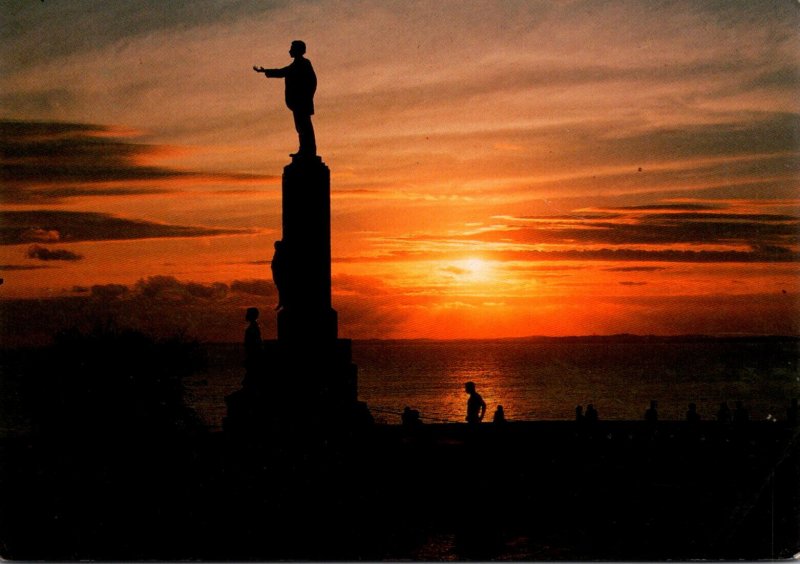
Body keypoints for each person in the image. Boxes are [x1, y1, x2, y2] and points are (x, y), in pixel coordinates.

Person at [254, 40, 317, 156]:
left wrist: (307, 97)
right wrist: (265, 71)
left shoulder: (304, 64)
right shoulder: (295, 65)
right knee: (300, 127)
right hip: (297, 103)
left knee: (304, 127)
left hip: (302, 102)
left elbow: (312, 81)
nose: (289, 50)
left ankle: (308, 151)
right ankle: (304, 150)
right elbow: (282, 72)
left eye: (292, 48)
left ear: (298, 50)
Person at [244, 307, 262, 376]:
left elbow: (255, 342)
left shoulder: (253, 328)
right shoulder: (254, 327)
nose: (246, 315)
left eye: (248, 314)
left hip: (253, 355)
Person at [271, 240, 288, 310]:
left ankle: (282, 302)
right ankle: (282, 302)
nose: (275, 248)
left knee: (282, 289)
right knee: (281, 289)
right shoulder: (277, 253)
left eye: (276, 246)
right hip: (277, 275)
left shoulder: (281, 254)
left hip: (280, 276)